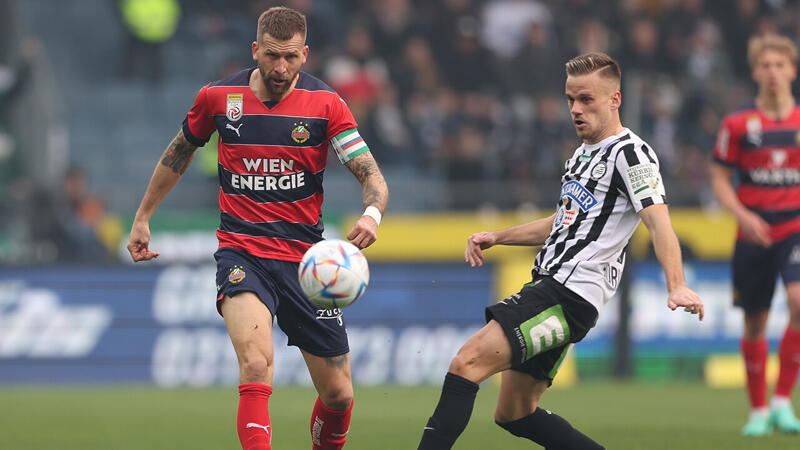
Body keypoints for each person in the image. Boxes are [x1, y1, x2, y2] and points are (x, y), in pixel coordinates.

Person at [127, 7, 389, 450]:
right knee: (254, 365)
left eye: (290, 57)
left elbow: (371, 176)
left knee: (340, 395)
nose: (281, 67)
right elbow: (178, 153)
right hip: (242, 253)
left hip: (307, 265)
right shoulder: (217, 97)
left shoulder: (326, 105)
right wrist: (142, 216)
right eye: (271, 56)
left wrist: (371, 215)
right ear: (255, 50)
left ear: (305, 54)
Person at [417, 52, 704, 450]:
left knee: (466, 363)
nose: (575, 109)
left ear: (615, 100)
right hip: (555, 289)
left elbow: (658, 220)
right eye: (571, 99)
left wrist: (677, 285)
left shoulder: (630, 154)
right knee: (514, 412)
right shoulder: (582, 154)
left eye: (587, 99)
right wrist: (498, 236)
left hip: (566, 294)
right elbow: (562, 222)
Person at [710, 34, 800, 437]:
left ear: (792, 70)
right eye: (765, 65)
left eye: (780, 65)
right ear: (754, 72)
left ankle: (782, 400)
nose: (773, 72)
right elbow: (718, 176)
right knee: (755, 323)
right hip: (753, 235)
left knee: (799, 301)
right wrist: (742, 215)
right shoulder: (737, 125)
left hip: (794, 229)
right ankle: (759, 411)